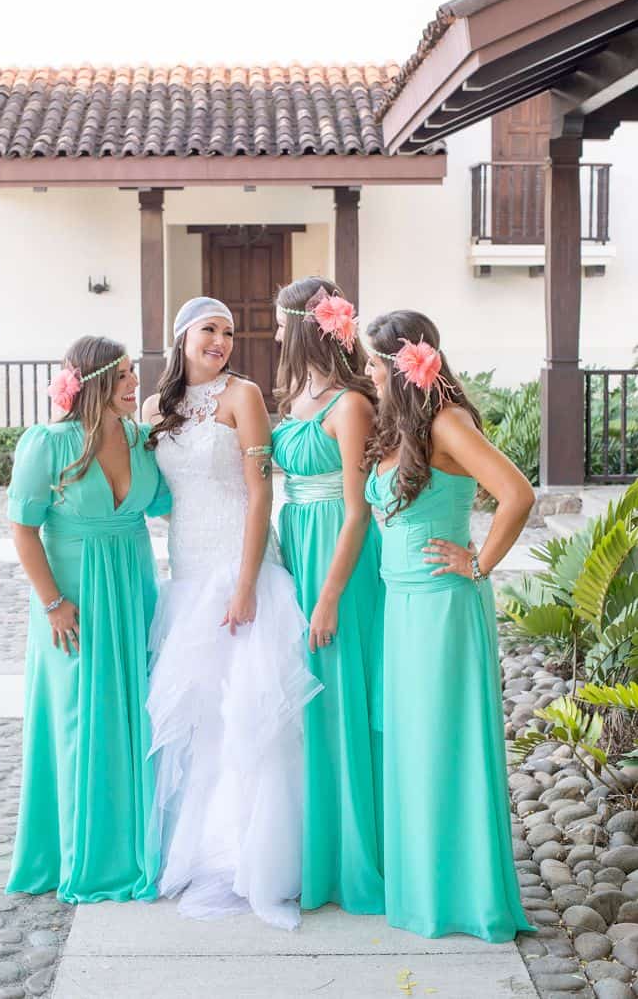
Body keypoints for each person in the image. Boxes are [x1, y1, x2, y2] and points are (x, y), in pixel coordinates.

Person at [142, 296, 322, 930]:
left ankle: (266, 862)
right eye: (208, 331)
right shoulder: (152, 410)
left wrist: (245, 584)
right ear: (181, 336)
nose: (221, 340)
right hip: (187, 575)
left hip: (242, 572)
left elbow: (259, 494)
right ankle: (204, 849)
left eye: (227, 331)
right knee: (202, 721)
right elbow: (153, 495)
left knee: (254, 713)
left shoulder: (244, 396)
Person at [364, 309, 536, 941]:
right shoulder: (403, 425)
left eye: (374, 363)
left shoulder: (447, 422)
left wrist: (480, 562)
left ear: (399, 364)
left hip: (441, 604)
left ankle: (462, 893)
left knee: (445, 741)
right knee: (415, 744)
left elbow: (516, 494)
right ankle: (427, 886)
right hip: (402, 606)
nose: (368, 373)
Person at [6, 336, 170, 904]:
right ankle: (79, 852)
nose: (134, 384)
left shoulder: (140, 438)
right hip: (72, 600)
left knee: (136, 715)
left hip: (134, 589)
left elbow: (173, 504)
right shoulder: (46, 444)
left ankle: (136, 848)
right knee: (78, 719)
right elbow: (23, 529)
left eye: (134, 374)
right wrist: (52, 602)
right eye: (124, 376)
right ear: (95, 381)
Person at [271, 277, 384, 914]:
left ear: (307, 327)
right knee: (307, 704)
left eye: (284, 324)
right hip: (296, 547)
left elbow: (358, 511)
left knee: (339, 694)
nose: (278, 335)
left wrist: (330, 596)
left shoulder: (349, 404)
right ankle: (315, 847)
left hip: (338, 559)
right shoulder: (293, 397)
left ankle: (351, 858)